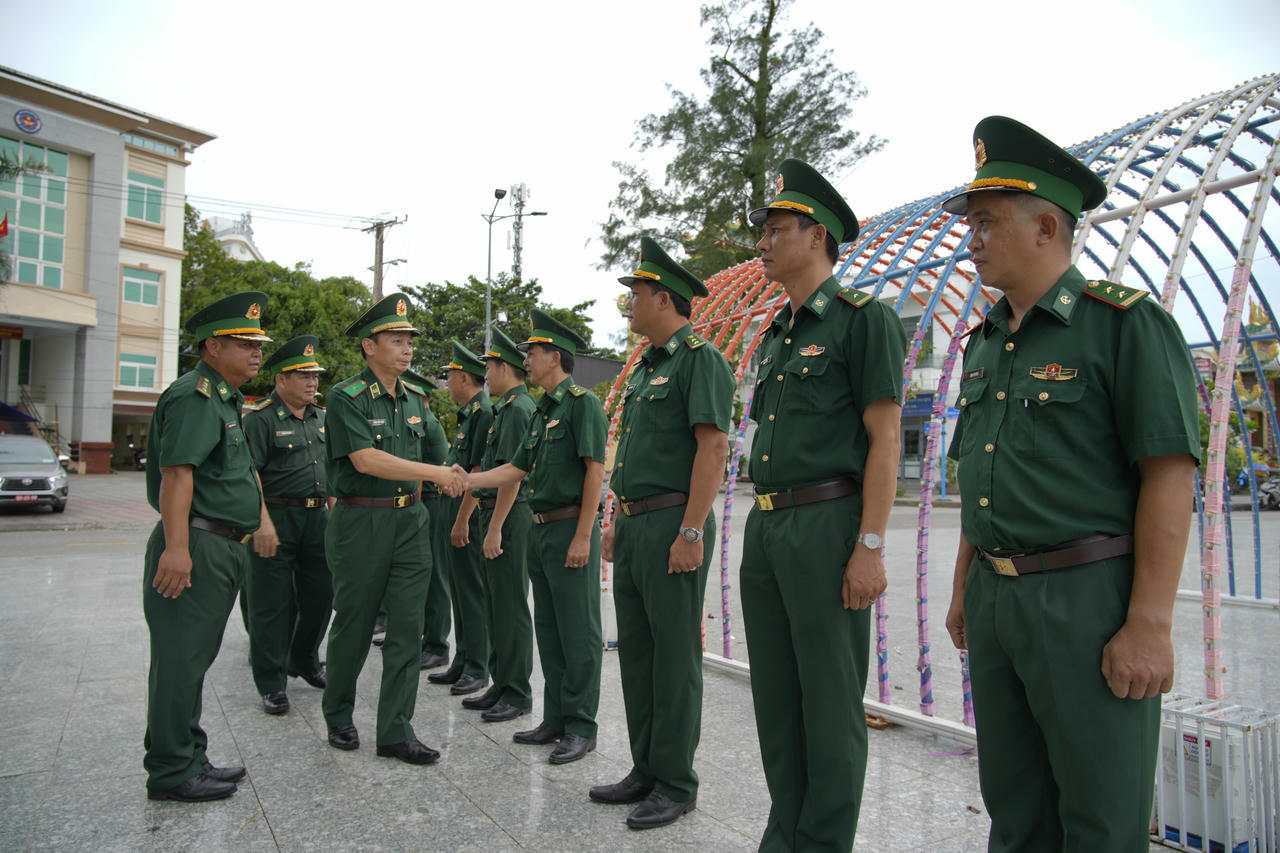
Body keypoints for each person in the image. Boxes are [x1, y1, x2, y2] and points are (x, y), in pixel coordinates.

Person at [941, 116, 1200, 852]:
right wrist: (964, 589)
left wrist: (1149, 624)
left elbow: (1169, 474)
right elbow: (984, 478)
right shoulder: (984, 343)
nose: (972, 239)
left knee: (1099, 818)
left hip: (1085, 599)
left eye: (987, 222)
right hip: (997, 599)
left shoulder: (1124, 324)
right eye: (971, 224)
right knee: (1015, 810)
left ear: (1047, 227)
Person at [742, 159, 907, 851]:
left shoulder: (862, 321)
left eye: (776, 230)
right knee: (778, 700)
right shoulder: (776, 332)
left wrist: (869, 544)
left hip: (826, 524)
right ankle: (786, 832)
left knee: (830, 704)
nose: (762, 243)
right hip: (768, 525)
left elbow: (885, 438)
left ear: (818, 236)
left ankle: (823, 841)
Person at [589, 237, 734, 830]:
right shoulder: (646, 367)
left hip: (676, 522)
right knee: (640, 654)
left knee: (673, 660)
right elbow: (630, 456)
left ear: (665, 299)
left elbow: (713, 448)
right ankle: (645, 768)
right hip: (636, 523)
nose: (629, 304)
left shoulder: (700, 360)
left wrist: (692, 530)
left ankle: (676, 782)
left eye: (637, 294)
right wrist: (615, 521)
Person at [321, 293, 465, 766]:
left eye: (409, 341)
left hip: (410, 521)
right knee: (355, 623)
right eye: (397, 340)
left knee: (408, 626)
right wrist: (435, 474)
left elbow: (442, 460)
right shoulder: (346, 397)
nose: (407, 349)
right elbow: (366, 460)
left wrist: (461, 477)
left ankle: (396, 730)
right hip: (361, 520)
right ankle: (338, 714)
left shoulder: (418, 400)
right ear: (369, 345)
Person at [142, 291, 273, 802]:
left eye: (258, 345)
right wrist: (177, 549)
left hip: (219, 544)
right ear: (212, 346)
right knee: (180, 661)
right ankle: (172, 770)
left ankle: (189, 756)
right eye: (245, 344)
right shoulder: (194, 395)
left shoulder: (223, 398)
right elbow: (177, 475)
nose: (256, 353)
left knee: (192, 659)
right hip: (196, 543)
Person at [468, 308, 607, 765]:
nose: (525, 359)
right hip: (541, 528)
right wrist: (467, 480)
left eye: (533, 352)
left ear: (555, 357)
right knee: (549, 629)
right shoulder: (542, 410)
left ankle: (581, 726)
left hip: (569, 527)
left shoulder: (582, 404)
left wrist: (584, 534)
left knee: (578, 631)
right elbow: (516, 469)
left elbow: (594, 471)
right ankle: (556, 718)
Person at [243, 335, 333, 716]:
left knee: (323, 593)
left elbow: (331, 471)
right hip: (276, 517)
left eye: (315, 376)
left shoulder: (322, 418)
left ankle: (304, 658)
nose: (313, 383)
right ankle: (271, 682)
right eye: (304, 376)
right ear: (281, 379)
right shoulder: (260, 419)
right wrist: (261, 523)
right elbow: (249, 475)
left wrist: (334, 515)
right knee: (271, 603)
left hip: (317, 518)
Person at [461, 328, 536, 722]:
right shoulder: (506, 408)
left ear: (504, 367)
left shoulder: (519, 409)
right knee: (495, 605)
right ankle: (501, 682)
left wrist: (495, 528)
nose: (485, 374)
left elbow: (512, 475)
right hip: (494, 512)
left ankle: (517, 691)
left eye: (489, 367)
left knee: (510, 605)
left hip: (509, 515)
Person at [425, 342, 493, 697]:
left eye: (450, 376)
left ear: (464, 377)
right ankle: (463, 659)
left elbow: (477, 471)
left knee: (471, 590)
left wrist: (463, 519)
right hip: (454, 507)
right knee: (459, 588)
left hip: (469, 512)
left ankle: (478, 666)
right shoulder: (469, 413)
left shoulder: (483, 412)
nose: (447, 383)